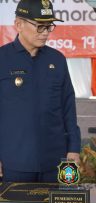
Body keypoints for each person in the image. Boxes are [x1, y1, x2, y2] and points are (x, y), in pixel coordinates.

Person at [0, 0, 81, 182]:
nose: (45, 33)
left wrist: (74, 148)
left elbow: (68, 107)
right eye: (39, 26)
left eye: (48, 26)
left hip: (56, 162)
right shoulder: (2, 59)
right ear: (18, 24)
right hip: (13, 163)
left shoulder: (57, 59)